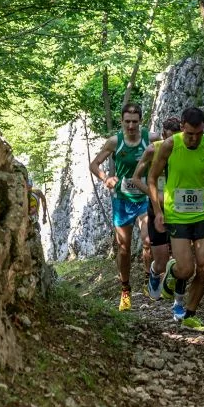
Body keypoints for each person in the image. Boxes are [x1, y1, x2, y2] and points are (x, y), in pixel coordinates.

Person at [147, 107, 204, 331]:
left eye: (198, 134)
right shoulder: (170, 145)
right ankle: (172, 273)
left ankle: (190, 314)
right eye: (190, 134)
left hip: (203, 213)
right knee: (186, 270)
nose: (194, 139)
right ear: (182, 127)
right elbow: (152, 179)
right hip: (177, 214)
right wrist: (158, 211)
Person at [89, 103, 151, 311]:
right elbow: (94, 164)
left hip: (144, 197)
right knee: (124, 248)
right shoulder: (115, 141)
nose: (131, 126)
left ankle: (148, 279)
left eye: (135, 122)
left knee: (148, 241)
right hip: (122, 199)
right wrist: (106, 178)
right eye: (127, 122)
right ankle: (125, 289)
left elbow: (169, 150)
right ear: (121, 121)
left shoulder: (150, 138)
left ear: (141, 121)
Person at [130, 116, 182, 300]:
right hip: (157, 208)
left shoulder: (186, 148)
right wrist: (156, 196)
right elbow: (136, 179)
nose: (173, 143)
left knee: (182, 258)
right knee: (161, 262)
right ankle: (154, 272)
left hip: (179, 209)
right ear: (163, 135)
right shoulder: (153, 150)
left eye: (177, 138)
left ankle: (176, 296)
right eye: (169, 138)